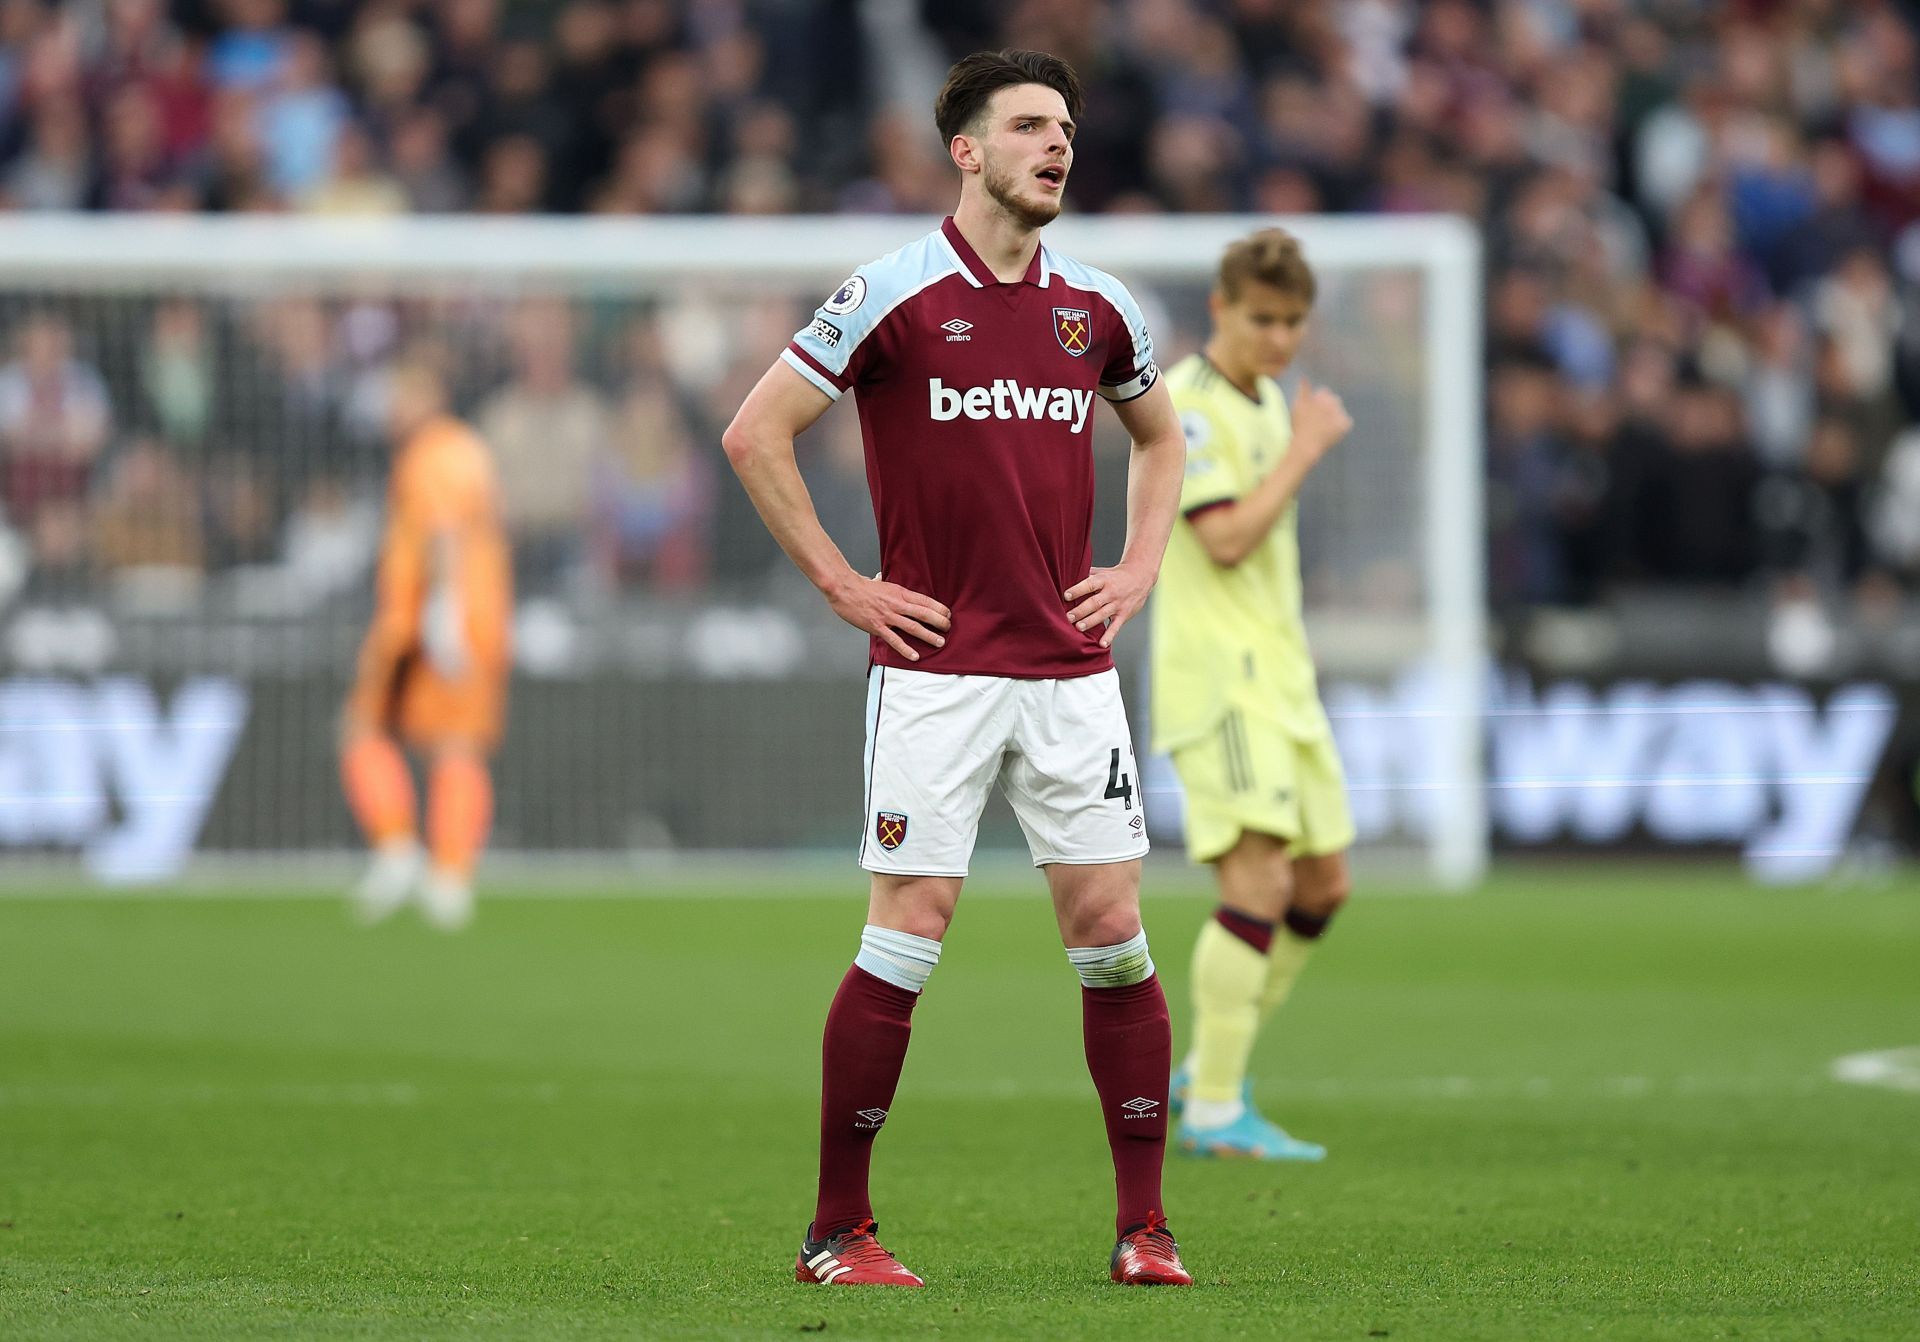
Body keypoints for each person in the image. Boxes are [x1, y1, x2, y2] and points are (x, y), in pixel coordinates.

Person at [722, 49, 1192, 1289]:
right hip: (936, 672)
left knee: (1114, 935)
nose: (1059, 145)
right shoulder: (891, 290)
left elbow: (1162, 436)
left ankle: (1145, 1229)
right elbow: (754, 432)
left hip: (1072, 672)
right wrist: (843, 581)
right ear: (968, 151)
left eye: (1069, 128)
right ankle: (838, 1228)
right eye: (1031, 126)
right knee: (908, 931)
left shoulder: (1103, 307)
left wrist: (1138, 566)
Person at [1151, 229, 1356, 1160]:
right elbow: (1224, 538)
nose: (1279, 339)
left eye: (1293, 322)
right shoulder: (1189, 409)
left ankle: (1208, 1067)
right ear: (1221, 311)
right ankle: (1215, 1107)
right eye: (1263, 319)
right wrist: (1306, 451)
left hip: (1282, 675)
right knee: (1260, 878)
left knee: (1323, 883)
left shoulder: (1271, 398)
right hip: (1220, 680)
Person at [339, 355, 511, 930]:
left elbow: (440, 533)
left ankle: (397, 851)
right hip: (483, 616)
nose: (392, 407)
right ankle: (451, 876)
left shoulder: (430, 454)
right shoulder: (469, 451)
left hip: (425, 620)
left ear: (430, 392)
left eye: (401, 392)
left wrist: (440, 614)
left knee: (365, 730)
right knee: (457, 744)